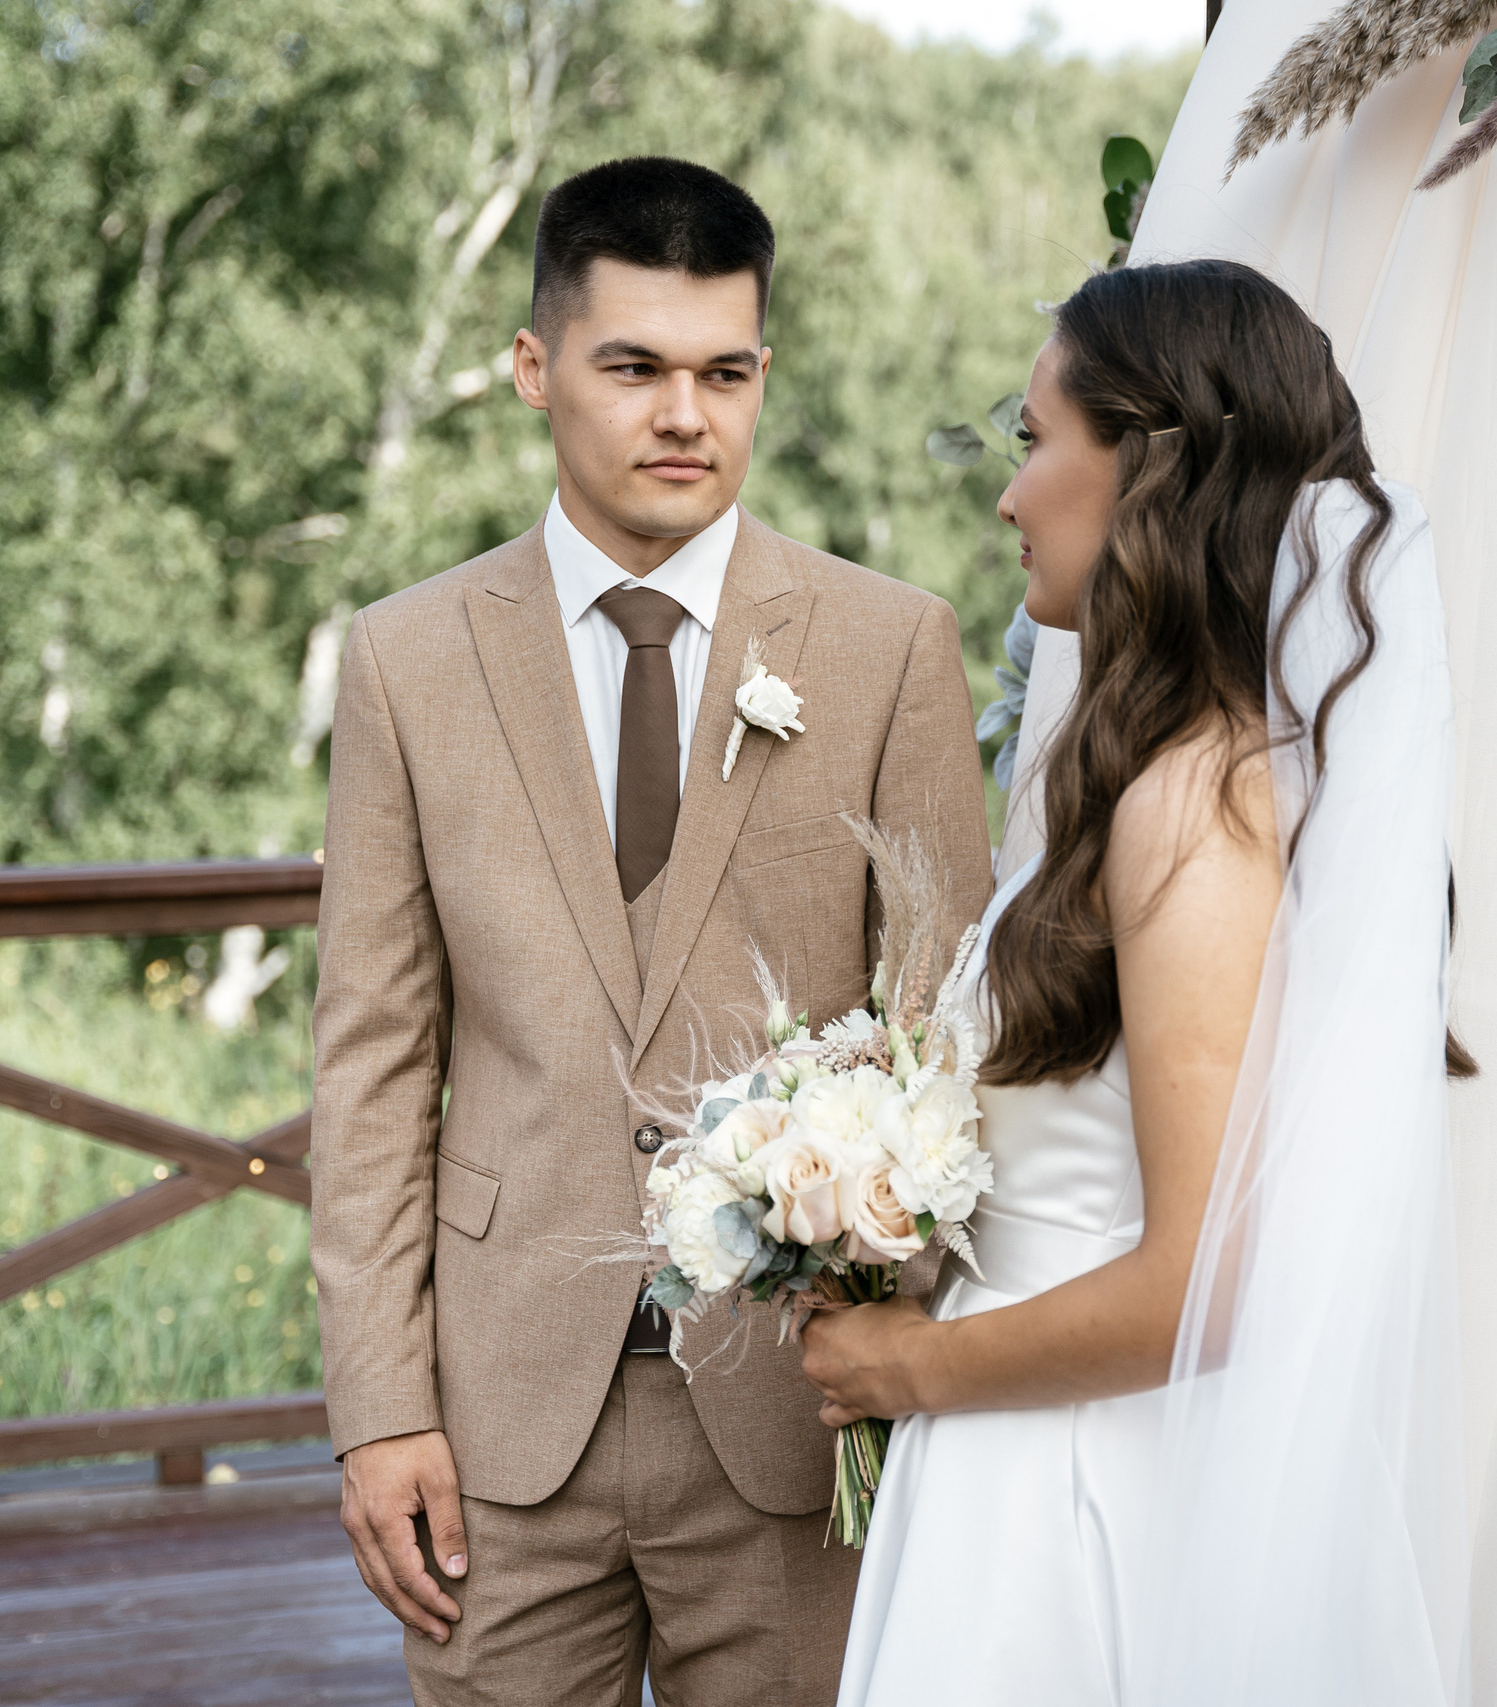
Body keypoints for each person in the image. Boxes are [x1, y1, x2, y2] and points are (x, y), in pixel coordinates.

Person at [309, 156, 992, 1707]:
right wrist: (379, 1409)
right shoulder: (406, 661)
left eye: (724, 372)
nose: (685, 414)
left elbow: (954, 1045)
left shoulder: (892, 650)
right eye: (635, 368)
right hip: (491, 1431)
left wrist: (915, 1361)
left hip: (794, 1420)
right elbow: (367, 1065)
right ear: (537, 369)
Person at [805, 258, 1473, 1704]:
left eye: (1040, 442)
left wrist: (901, 1365)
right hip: (1027, 1443)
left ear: (1148, 470)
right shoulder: (1162, 766)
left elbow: (1205, 1284)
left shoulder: (1191, 799)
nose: (1009, 493)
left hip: (1076, 1492)